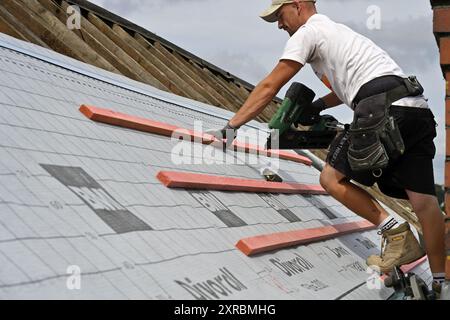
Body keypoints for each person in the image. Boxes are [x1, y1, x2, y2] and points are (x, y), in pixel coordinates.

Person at [208, 0, 446, 296]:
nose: (280, 25)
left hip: (381, 108)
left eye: (280, 17)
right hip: (415, 109)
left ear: (297, 6)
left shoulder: (307, 33)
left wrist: (230, 128)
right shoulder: (340, 34)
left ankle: (394, 231)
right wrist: (318, 105)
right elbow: (348, 84)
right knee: (424, 203)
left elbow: (271, 85)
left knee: (330, 178)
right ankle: (442, 283)